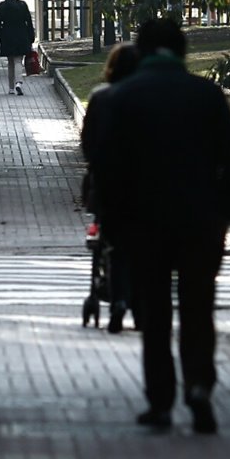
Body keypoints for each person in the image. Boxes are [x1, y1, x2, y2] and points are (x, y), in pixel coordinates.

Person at [90, 19, 230, 435]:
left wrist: (114, 220)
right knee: (198, 306)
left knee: (154, 311)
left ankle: (160, 400)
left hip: (143, 224)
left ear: (142, 51)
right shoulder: (206, 94)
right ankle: (199, 386)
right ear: (182, 50)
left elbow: (106, 166)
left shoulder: (122, 98)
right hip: (200, 221)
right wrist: (225, 209)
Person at [79, 42, 141, 333]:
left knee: (114, 245)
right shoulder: (146, 98)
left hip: (108, 186)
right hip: (143, 187)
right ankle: (139, 302)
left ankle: (118, 299)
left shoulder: (100, 98)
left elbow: (88, 144)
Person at [0, 0, 35, 95]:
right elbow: (29, 22)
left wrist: (0, 36)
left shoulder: (2, 6)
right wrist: (31, 37)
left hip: (7, 35)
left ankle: (11, 88)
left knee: (10, 61)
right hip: (21, 35)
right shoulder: (22, 5)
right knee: (18, 60)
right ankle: (18, 83)